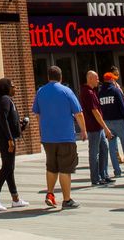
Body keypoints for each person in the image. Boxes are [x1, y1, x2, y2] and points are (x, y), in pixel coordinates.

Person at [31, 66, 86, 209]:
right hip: (65, 136)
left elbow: (37, 114)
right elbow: (78, 113)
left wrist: (43, 128)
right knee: (65, 169)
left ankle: (50, 193)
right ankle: (67, 200)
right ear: (60, 77)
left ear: (48, 77)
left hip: (48, 138)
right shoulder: (66, 91)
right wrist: (83, 131)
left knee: (51, 167)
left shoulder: (41, 91)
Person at [0, 77, 28, 210]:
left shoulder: (4, 100)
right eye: (12, 86)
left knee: (9, 167)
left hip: (4, 137)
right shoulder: (4, 99)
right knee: (7, 167)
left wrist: (20, 126)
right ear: (5, 88)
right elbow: (2, 120)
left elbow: (8, 121)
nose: (15, 88)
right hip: (4, 139)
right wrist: (10, 139)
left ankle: (15, 199)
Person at [96, 71, 124, 177]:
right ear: (110, 80)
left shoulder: (100, 93)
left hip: (107, 122)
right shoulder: (115, 91)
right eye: (113, 79)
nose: (115, 80)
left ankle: (117, 171)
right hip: (119, 121)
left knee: (112, 147)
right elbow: (122, 105)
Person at [78, 71, 113, 186]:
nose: (98, 80)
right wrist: (106, 128)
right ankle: (95, 178)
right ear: (90, 78)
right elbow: (95, 112)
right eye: (96, 78)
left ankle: (103, 175)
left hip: (98, 127)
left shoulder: (92, 91)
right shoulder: (87, 92)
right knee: (94, 153)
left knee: (104, 148)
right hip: (94, 128)